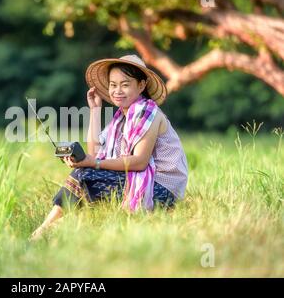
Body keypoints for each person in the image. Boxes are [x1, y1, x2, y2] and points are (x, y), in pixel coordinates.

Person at [30, 54, 188, 241]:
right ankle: (48, 229)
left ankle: (43, 230)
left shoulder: (147, 112)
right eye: (113, 85)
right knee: (85, 175)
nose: (117, 90)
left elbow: (139, 162)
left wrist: (92, 162)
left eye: (125, 84)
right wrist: (95, 111)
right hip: (138, 180)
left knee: (84, 175)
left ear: (141, 85)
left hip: (161, 189)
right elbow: (95, 153)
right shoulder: (121, 118)